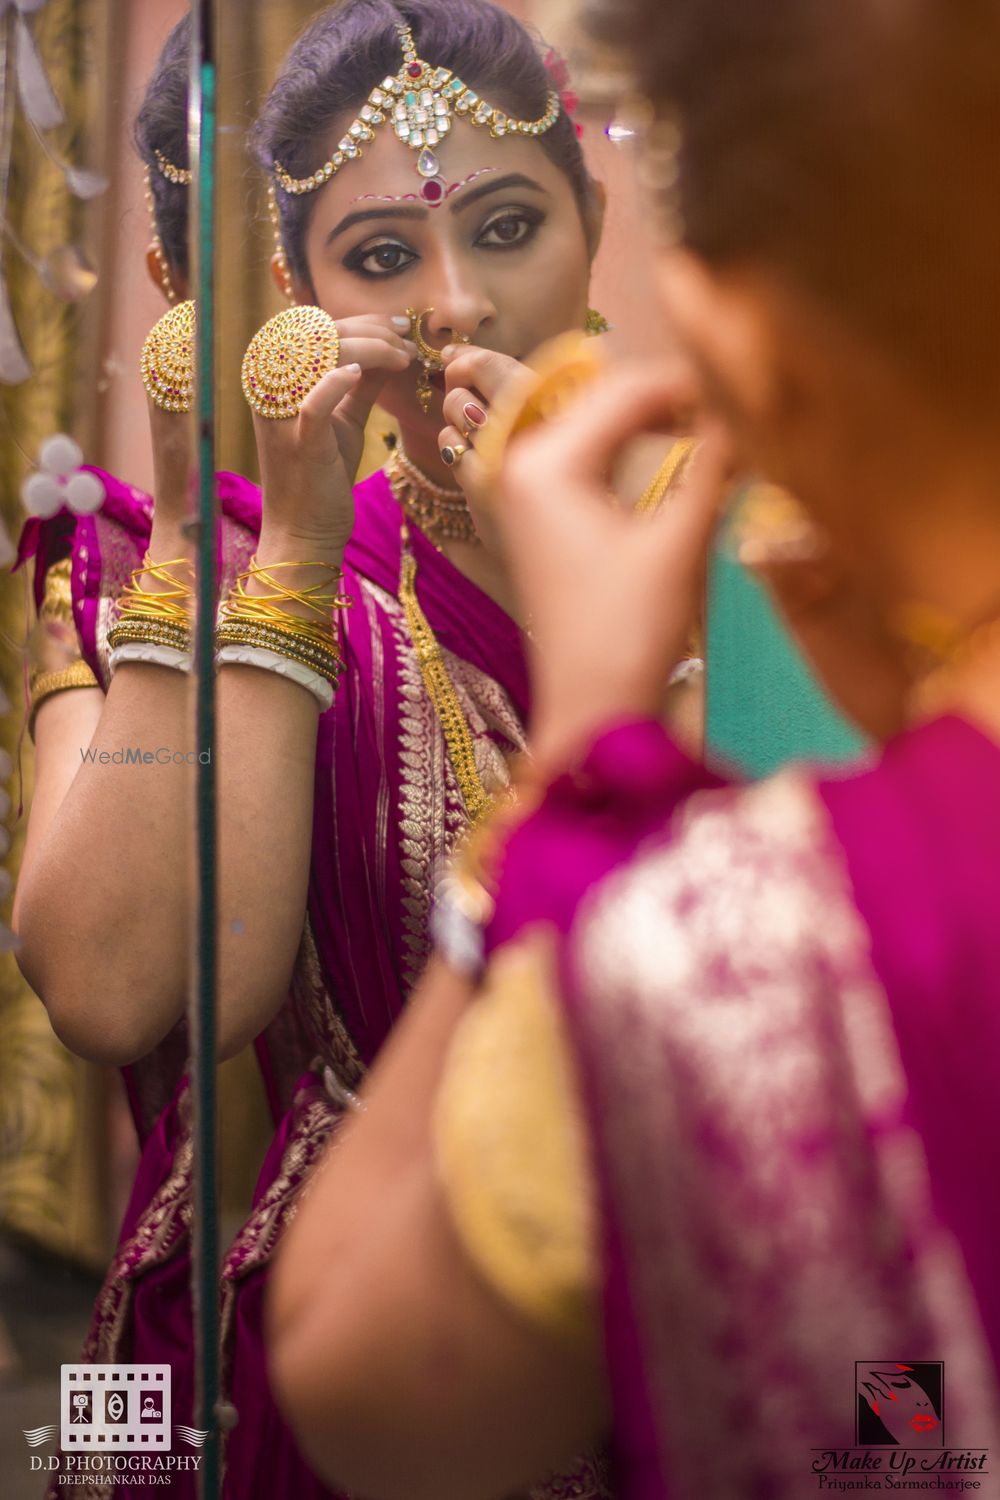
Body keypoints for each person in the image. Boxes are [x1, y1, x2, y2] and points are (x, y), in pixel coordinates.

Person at [266, 1, 1000, 1498]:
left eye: (514, 223)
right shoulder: (274, 558)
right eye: (387, 257)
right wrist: (287, 556)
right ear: (297, 293)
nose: (454, 305)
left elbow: (364, 1387)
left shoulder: (733, 956)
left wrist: (584, 757)